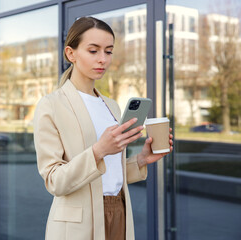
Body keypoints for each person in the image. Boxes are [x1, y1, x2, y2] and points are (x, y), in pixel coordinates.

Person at [33, 16, 173, 240]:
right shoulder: (51, 105)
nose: (103, 60)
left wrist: (142, 160)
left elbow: (106, 174)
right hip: (78, 224)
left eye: (108, 51)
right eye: (93, 50)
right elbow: (54, 180)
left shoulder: (112, 106)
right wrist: (99, 150)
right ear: (71, 54)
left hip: (119, 211)